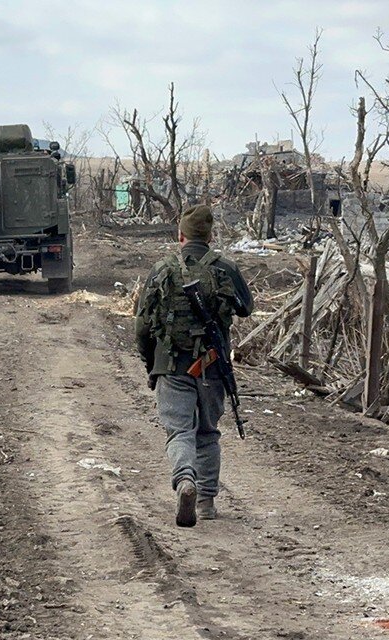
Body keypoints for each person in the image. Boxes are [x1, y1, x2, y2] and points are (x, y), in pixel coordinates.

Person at [134, 204, 253, 527]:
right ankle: (207, 502)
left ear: (180, 235)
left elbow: (143, 326)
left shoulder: (162, 269)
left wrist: (150, 364)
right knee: (208, 432)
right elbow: (246, 308)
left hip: (172, 365)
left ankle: (185, 480)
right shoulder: (225, 267)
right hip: (212, 365)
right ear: (210, 235)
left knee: (179, 431)